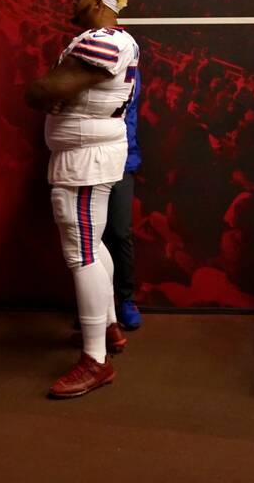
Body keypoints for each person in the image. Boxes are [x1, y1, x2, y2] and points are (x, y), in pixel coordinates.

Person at [26, 0, 138, 398]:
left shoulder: (104, 40)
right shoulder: (109, 40)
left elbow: (42, 92)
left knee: (81, 253)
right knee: (93, 244)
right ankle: (107, 326)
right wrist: (56, 89)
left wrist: (48, 89)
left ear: (97, 1)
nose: (72, 2)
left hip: (86, 158)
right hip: (87, 152)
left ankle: (95, 360)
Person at [106, 65, 142, 330]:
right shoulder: (82, 64)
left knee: (120, 232)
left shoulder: (129, 70)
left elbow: (123, 110)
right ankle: (99, 304)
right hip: (86, 162)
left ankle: (126, 300)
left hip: (122, 161)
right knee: (93, 239)